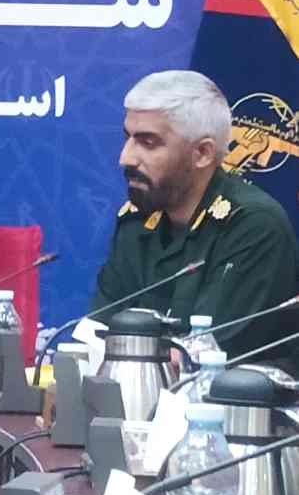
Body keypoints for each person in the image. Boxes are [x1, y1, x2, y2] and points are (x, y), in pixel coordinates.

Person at [91, 70, 298, 364]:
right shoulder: (136, 220)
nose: (126, 157)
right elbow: (99, 332)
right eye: (128, 138)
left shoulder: (253, 225)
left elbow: (206, 356)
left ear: (202, 153)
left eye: (148, 143)